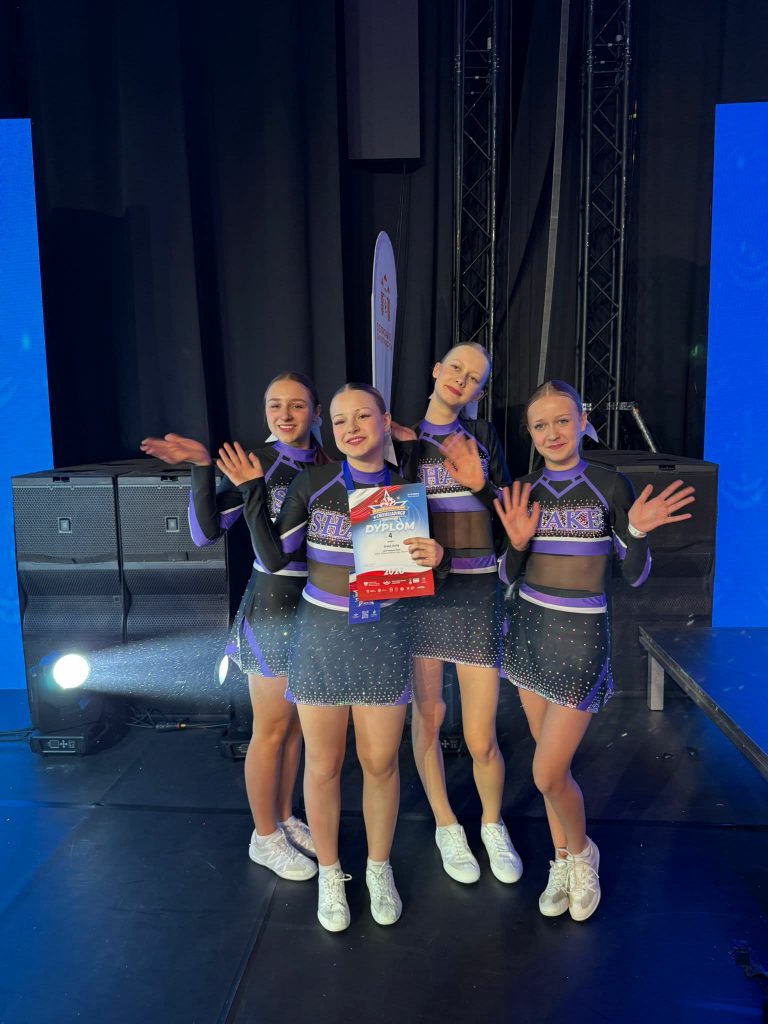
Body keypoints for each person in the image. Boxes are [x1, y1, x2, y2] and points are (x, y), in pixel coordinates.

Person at [216, 383, 449, 932]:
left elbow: (424, 579)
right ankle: (328, 871)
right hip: (319, 637)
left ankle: (378, 868)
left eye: (362, 416)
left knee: (380, 763)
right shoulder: (314, 482)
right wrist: (251, 491)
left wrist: (437, 558)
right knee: (322, 765)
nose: (351, 428)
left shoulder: (407, 490)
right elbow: (274, 557)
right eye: (340, 420)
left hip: (382, 638)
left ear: (384, 421)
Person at [493, 379, 695, 921]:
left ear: (583, 422)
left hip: (581, 639)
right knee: (549, 766)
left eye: (563, 420)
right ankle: (560, 858)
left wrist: (636, 533)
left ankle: (583, 854)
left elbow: (635, 576)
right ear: (530, 433)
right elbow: (506, 575)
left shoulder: (609, 483)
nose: (553, 432)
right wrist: (516, 544)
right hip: (527, 635)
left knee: (546, 772)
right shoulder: (523, 489)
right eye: (541, 425)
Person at [140, 372, 327, 883]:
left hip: (320, 609)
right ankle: (263, 836)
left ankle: (285, 818)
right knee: (270, 729)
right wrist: (202, 467)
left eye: (297, 405)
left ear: (316, 411)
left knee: (297, 728)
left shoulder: (331, 465)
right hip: (272, 609)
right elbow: (204, 534)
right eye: (275, 405)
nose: (285, 415)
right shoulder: (256, 462)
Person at [391, 343, 522, 886]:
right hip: (422, 596)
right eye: (455, 369)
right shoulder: (399, 439)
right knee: (427, 718)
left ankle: (492, 823)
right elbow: (387, 521)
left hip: (477, 593)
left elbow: (511, 514)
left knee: (481, 734)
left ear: (479, 392)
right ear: (435, 370)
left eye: (473, 378)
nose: (461, 381)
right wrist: (402, 452)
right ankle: (447, 824)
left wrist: (479, 483)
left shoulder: (483, 436)